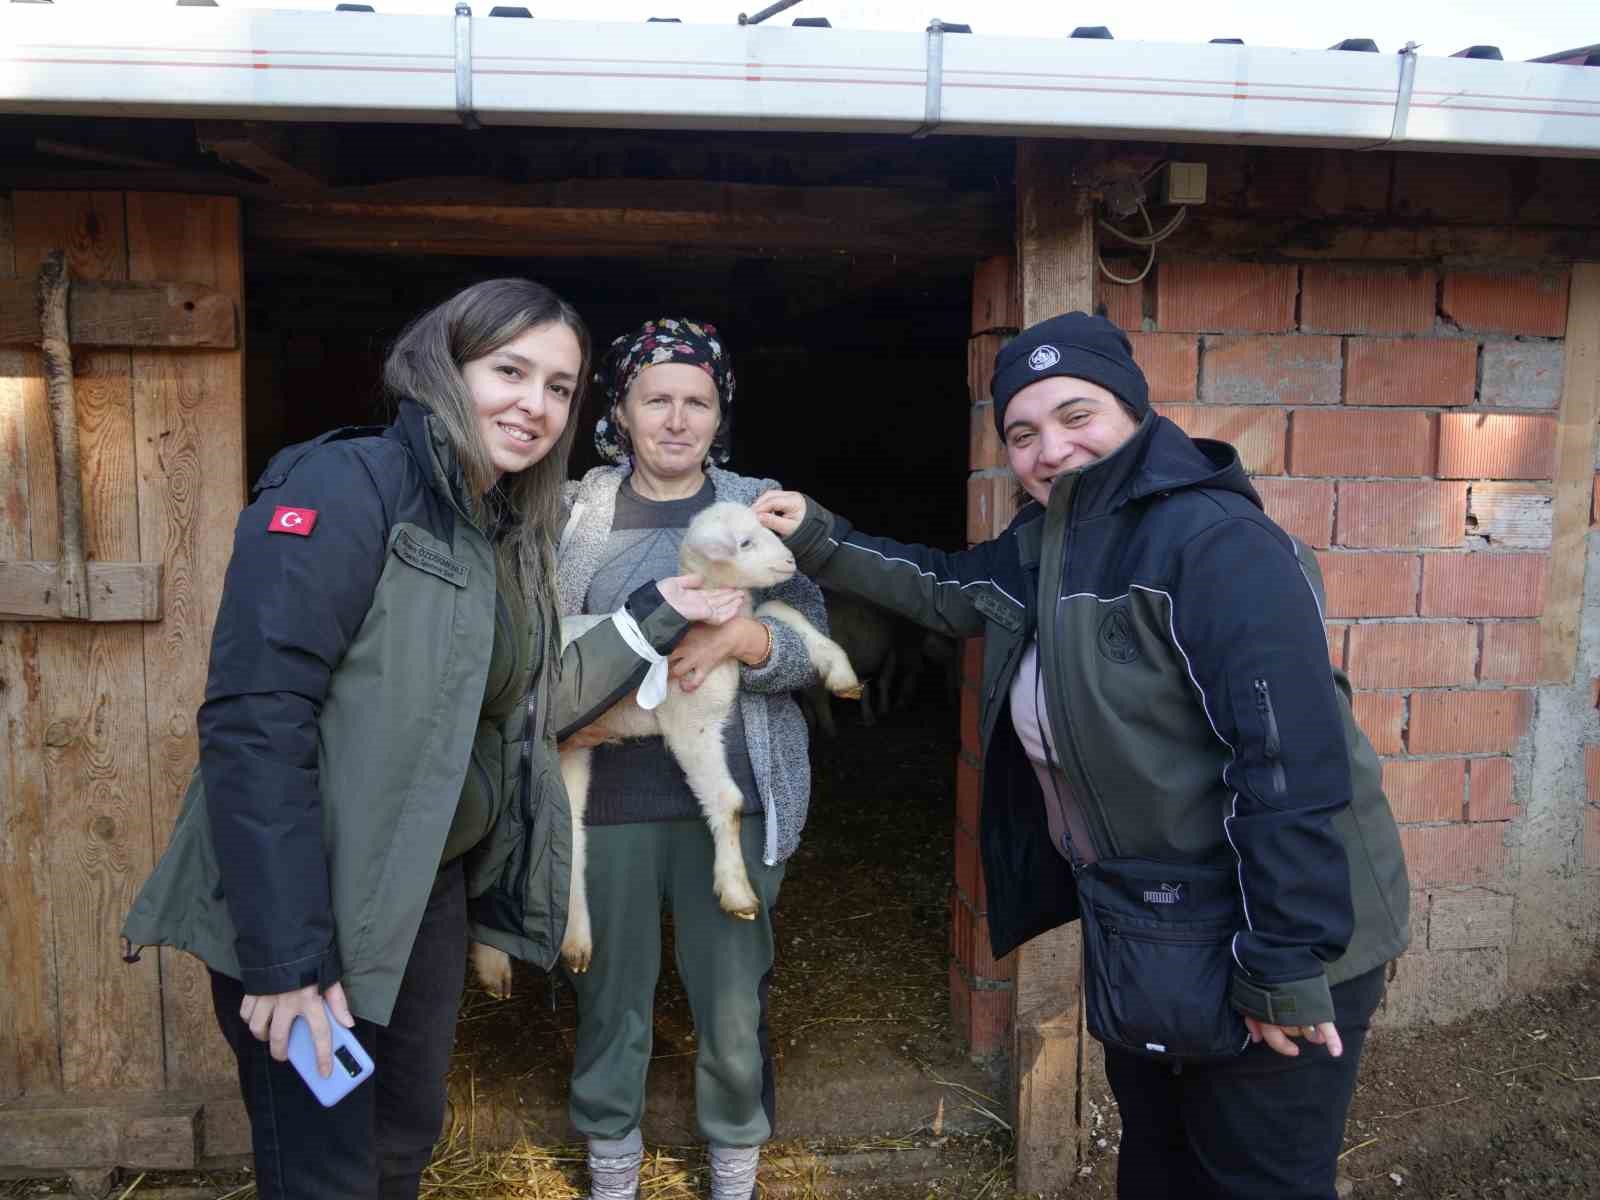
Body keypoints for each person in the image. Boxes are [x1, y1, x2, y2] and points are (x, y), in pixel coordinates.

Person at [753, 312, 1411, 1200]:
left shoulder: (1216, 544)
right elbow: (948, 588)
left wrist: (1287, 964)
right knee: (1157, 1159)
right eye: (1022, 433)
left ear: (1135, 412)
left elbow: (1289, 763)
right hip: (1152, 921)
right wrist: (820, 539)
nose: (1048, 449)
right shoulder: (1047, 546)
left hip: (1269, 927)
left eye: (1077, 415)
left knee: (1259, 1179)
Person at [121, 281, 744, 1200]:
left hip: (424, 894)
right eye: (510, 371)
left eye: (560, 387)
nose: (534, 404)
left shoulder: (503, 528)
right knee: (328, 1173)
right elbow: (257, 719)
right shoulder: (349, 486)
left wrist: (654, 617)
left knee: (401, 1143)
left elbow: (522, 706)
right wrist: (289, 958)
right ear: (444, 370)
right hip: (318, 901)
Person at [553, 317, 824, 1200]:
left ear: (720, 413)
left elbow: (807, 648)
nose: (677, 419)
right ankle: (611, 1173)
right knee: (610, 999)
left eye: (697, 401)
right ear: (621, 413)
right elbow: (529, 649)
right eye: (656, 399)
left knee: (733, 1001)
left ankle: (735, 1172)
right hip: (607, 801)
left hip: (730, 799)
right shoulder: (569, 517)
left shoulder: (760, 509)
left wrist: (750, 640)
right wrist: (558, 719)